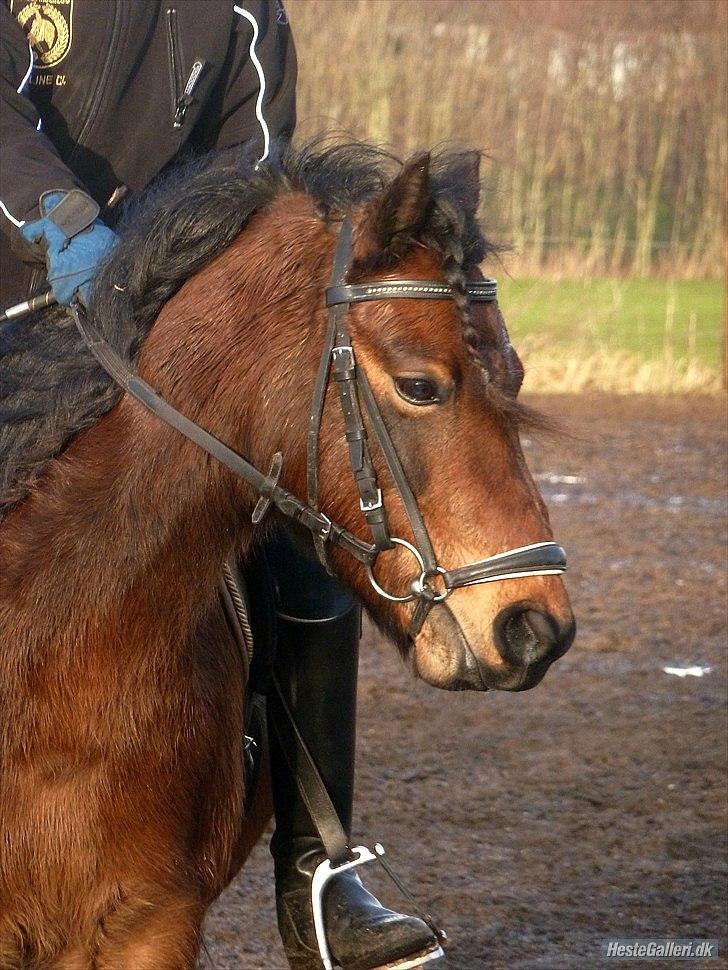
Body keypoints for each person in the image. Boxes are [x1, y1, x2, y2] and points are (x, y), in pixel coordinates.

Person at [0, 3, 440, 968]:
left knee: (300, 538)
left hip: (156, 328)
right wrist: (63, 222)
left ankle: (319, 871)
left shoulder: (244, 14)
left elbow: (256, 176)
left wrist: (179, 297)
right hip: (13, 298)